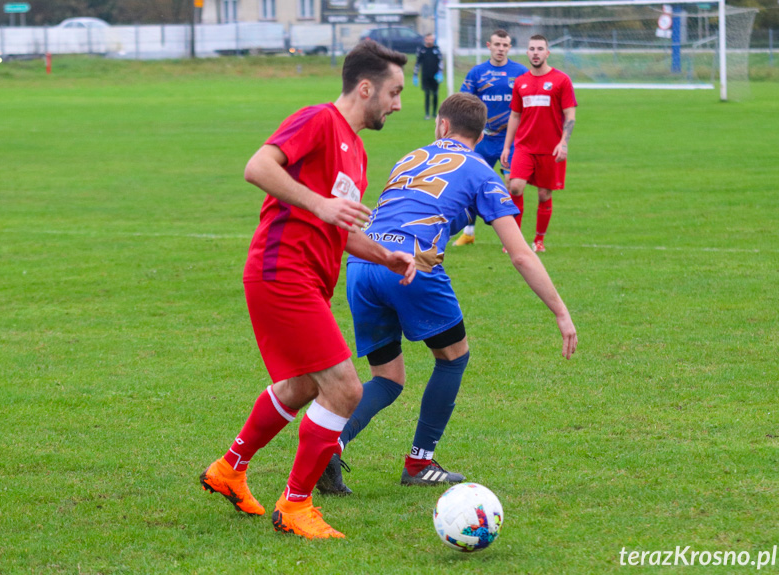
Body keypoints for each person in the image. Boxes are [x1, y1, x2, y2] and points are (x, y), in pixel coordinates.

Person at [199, 39, 416, 540]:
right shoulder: (318, 119)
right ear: (366, 88)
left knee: (301, 388)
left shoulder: (356, 150)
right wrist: (319, 204)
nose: (398, 104)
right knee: (344, 389)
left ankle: (229, 469)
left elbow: (339, 224)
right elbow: (258, 167)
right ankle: (296, 506)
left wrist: (386, 254)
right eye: (394, 92)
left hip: (309, 281)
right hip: (283, 273)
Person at [316, 93, 578, 495]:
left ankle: (328, 446)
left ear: (441, 125)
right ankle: (419, 463)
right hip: (413, 265)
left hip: (364, 262)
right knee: (454, 357)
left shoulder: (409, 157)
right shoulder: (481, 171)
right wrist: (560, 311)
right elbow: (521, 254)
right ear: (481, 132)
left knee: (387, 377)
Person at [499, 35, 577, 253]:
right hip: (524, 146)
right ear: (527, 53)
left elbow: (570, 115)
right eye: (531, 48)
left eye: (540, 48)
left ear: (547, 53)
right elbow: (514, 116)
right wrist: (507, 147)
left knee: (544, 195)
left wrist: (563, 143)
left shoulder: (561, 80)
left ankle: (539, 240)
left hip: (551, 148)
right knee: (515, 187)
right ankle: (514, 241)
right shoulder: (521, 82)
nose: (535, 52)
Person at [453, 29, 528, 247]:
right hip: (482, 140)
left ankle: (512, 238)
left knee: (513, 186)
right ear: (489, 45)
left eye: (505, 45)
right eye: (497, 44)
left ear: (509, 47)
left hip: (511, 140)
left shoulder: (520, 72)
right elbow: (463, 102)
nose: (500, 49)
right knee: (471, 186)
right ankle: (468, 233)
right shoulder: (477, 73)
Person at [414, 33, 443, 120]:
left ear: (433, 40)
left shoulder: (437, 49)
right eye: (427, 39)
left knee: (435, 94)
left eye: (431, 39)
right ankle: (427, 113)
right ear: (425, 39)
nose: (429, 41)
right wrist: (415, 75)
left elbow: (441, 62)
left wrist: (440, 73)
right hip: (425, 76)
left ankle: (434, 113)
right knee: (427, 94)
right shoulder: (421, 50)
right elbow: (417, 63)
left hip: (435, 76)